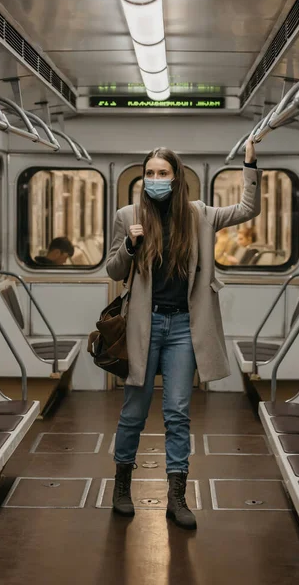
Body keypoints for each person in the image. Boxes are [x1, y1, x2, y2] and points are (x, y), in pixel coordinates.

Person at [106, 140, 260, 530]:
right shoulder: (128, 215)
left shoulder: (199, 215)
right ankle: (122, 485)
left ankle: (176, 496)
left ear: (176, 177)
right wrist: (129, 244)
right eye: (150, 173)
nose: (155, 179)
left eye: (163, 173)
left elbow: (247, 209)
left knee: (178, 413)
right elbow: (112, 269)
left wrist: (249, 164)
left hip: (183, 328)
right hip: (145, 324)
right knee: (134, 412)